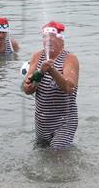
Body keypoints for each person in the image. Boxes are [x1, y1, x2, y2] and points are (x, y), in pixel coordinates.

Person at [21, 21, 79, 149]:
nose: (48, 41)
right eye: (45, 38)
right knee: (42, 155)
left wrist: (53, 71)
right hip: (42, 121)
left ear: (62, 41)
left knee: (57, 154)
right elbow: (27, 89)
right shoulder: (37, 56)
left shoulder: (70, 59)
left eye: (52, 38)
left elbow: (69, 88)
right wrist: (40, 72)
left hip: (64, 121)